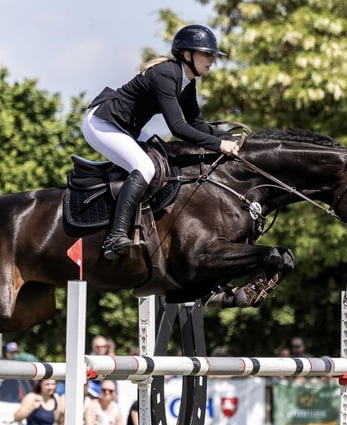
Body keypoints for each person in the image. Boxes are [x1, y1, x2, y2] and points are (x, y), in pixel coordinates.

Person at [82, 24, 240, 260]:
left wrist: (227, 137)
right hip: (102, 123)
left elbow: (197, 124)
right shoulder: (166, 74)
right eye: (206, 54)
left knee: (164, 159)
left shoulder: (187, 82)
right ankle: (115, 237)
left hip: (127, 128)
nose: (212, 60)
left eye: (212, 55)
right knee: (145, 168)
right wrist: (218, 146)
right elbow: (178, 127)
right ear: (187, 55)